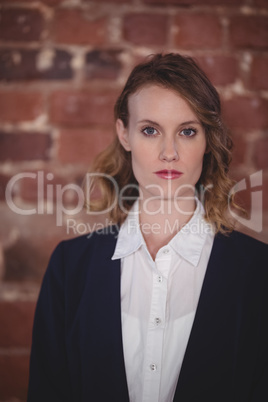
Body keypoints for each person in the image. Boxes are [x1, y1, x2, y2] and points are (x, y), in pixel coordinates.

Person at [27, 53, 268, 402]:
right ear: (124, 134)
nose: (168, 152)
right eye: (150, 130)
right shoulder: (69, 267)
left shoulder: (259, 272)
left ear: (207, 140)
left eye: (187, 131)